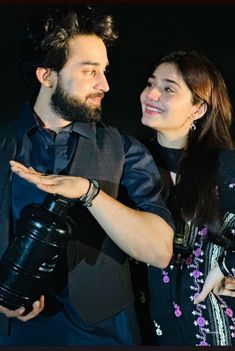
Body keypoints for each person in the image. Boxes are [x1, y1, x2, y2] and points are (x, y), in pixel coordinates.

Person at [0, 5, 174, 346]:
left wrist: (89, 192)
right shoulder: (3, 145)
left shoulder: (125, 150)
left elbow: (160, 251)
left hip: (107, 337)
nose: (105, 85)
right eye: (90, 71)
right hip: (15, 337)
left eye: (104, 71)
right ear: (47, 75)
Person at [138, 49, 235, 346]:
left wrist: (226, 267)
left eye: (168, 88)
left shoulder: (225, 165)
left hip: (217, 330)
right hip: (147, 330)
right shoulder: (130, 161)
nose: (151, 93)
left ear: (198, 109)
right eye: (151, 83)